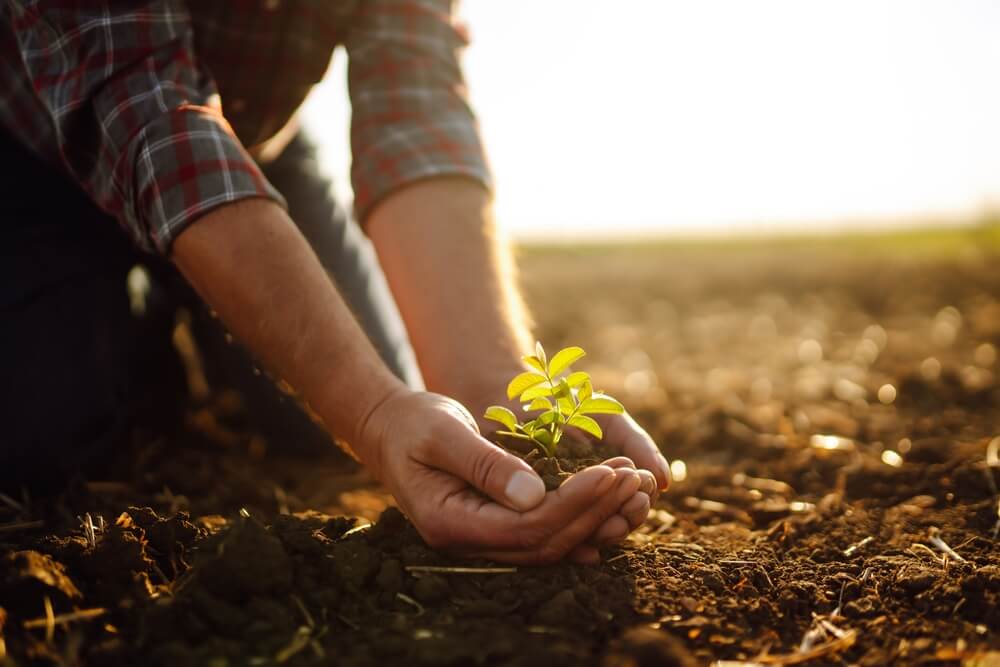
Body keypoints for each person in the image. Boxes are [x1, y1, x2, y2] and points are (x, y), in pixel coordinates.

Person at [0, 0, 669, 564]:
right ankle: (146, 328)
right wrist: (373, 413)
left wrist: (490, 381)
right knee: (42, 435)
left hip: (254, 146)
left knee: (352, 412)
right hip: (36, 157)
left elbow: (415, 107)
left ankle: (198, 304)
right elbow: (142, 106)